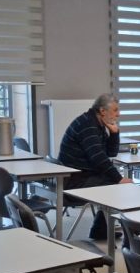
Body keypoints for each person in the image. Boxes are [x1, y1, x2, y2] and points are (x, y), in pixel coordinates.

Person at [57, 94, 132, 239]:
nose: (118, 114)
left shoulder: (95, 123)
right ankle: (103, 229)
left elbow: (110, 153)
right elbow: (99, 159)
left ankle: (101, 228)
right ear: (102, 111)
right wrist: (119, 179)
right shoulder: (88, 126)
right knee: (117, 186)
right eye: (115, 110)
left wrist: (114, 134)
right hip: (73, 182)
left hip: (80, 175)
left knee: (113, 181)